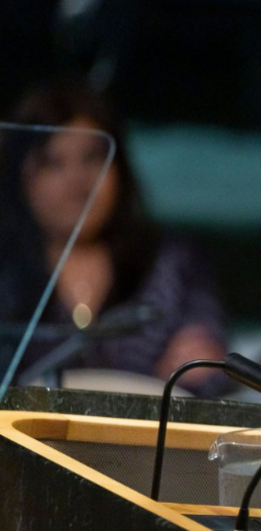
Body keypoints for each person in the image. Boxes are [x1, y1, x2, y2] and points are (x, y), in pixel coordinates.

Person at [0, 82, 227, 394]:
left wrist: (205, 362)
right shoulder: (7, 275)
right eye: (53, 163)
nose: (77, 182)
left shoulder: (174, 262)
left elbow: (209, 365)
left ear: (120, 167)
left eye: (92, 159)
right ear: (20, 177)